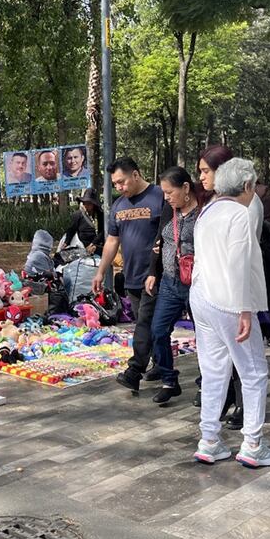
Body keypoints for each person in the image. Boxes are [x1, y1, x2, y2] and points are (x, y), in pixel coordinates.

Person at [190, 158, 270, 467]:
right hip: (228, 300)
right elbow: (238, 263)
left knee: (214, 370)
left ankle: (209, 439)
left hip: (202, 296)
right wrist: (245, 310)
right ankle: (252, 443)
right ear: (247, 185)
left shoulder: (207, 211)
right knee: (253, 372)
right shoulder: (239, 213)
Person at [91, 157, 164, 393]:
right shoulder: (118, 206)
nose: (119, 187)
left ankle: (134, 371)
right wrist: (101, 271)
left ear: (135, 174)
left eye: (122, 182)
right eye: (115, 184)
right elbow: (112, 241)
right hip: (131, 276)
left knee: (144, 323)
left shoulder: (159, 196)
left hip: (154, 275)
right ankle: (162, 364)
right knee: (148, 324)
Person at [145, 166, 200, 405]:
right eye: (164, 193)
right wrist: (153, 272)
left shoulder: (203, 213)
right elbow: (160, 239)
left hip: (197, 284)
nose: (166, 197)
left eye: (170, 192)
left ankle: (206, 384)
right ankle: (169, 380)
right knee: (158, 331)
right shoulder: (170, 210)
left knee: (204, 337)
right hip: (169, 281)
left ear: (186, 188)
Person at [59, 188, 104, 256]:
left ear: (93, 204)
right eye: (84, 203)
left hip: (97, 246)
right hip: (82, 246)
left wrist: (93, 244)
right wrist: (66, 243)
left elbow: (102, 232)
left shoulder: (100, 215)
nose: (86, 206)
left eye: (89, 204)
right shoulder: (77, 215)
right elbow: (71, 230)